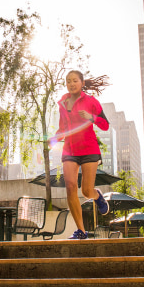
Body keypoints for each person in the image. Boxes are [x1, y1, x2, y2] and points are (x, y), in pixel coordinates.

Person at [52, 70, 110, 239]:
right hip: (70, 149)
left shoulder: (92, 102)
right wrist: (54, 139)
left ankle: (96, 195)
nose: (71, 83)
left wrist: (92, 117)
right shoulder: (63, 103)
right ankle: (81, 231)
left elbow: (105, 125)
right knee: (70, 187)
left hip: (89, 149)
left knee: (86, 192)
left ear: (82, 83)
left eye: (75, 80)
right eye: (68, 81)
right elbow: (63, 127)